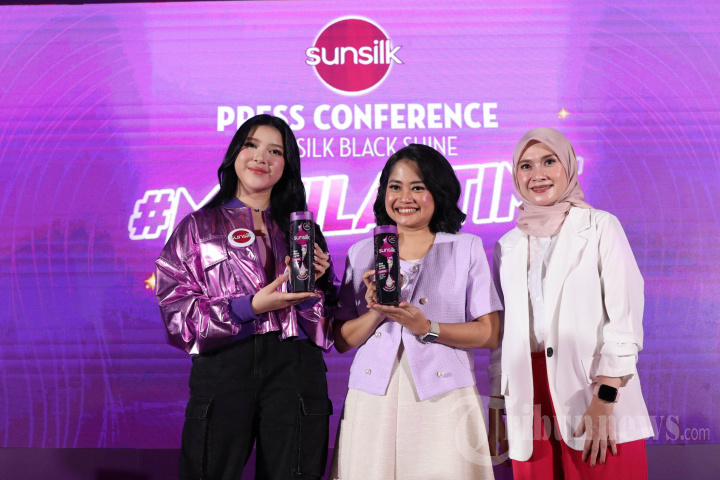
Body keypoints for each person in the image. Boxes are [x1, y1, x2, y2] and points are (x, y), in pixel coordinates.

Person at [155, 114, 337, 480]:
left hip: (295, 367)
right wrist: (248, 308)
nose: (261, 158)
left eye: (275, 151)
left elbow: (330, 320)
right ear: (235, 153)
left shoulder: (304, 230)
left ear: (287, 165)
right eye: (251, 145)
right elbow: (176, 314)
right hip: (225, 363)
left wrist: (313, 287)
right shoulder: (197, 227)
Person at [487, 128, 654, 479]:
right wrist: (498, 403)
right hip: (528, 396)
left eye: (549, 162)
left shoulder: (600, 227)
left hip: (593, 390)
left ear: (568, 166)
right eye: (526, 166)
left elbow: (624, 320)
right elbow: (505, 335)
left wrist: (605, 397)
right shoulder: (507, 245)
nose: (537, 174)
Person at [329, 144, 503, 479]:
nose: (404, 197)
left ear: (438, 192)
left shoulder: (465, 248)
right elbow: (342, 340)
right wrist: (377, 311)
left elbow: (490, 333)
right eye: (395, 187)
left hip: (444, 396)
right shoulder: (361, 252)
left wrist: (427, 327)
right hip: (373, 396)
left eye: (417, 187)